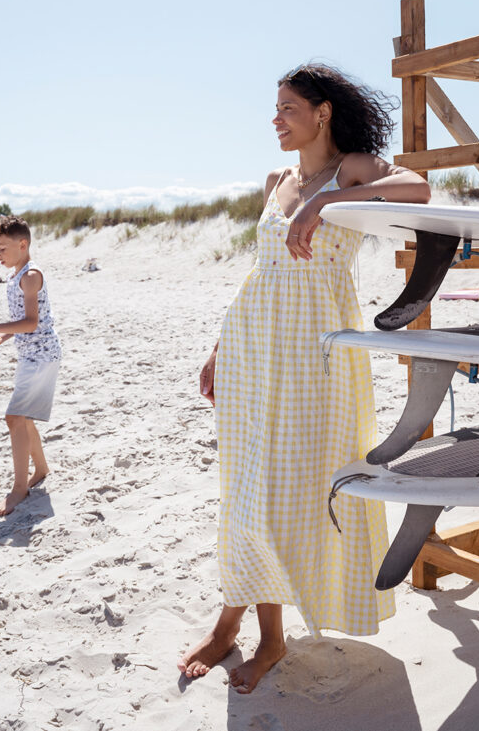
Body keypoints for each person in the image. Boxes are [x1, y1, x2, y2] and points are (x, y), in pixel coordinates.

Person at [179, 64, 430, 693]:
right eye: (276, 107)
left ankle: (251, 629)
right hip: (253, 347)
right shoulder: (275, 180)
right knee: (244, 490)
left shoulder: (352, 169)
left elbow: (419, 189)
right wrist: (218, 350)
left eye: (287, 107)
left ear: (322, 112)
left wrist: (327, 198)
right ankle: (245, 626)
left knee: (289, 492)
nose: (276, 119)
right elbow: (258, 275)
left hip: (315, 357)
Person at [0, 215, 61, 516]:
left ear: (22, 244)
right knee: (20, 418)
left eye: (2, 248)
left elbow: (31, 322)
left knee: (15, 417)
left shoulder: (31, 275)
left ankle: (19, 489)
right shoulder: (15, 275)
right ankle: (40, 469)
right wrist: (0, 338)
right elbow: (23, 323)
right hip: (30, 354)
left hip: (42, 355)